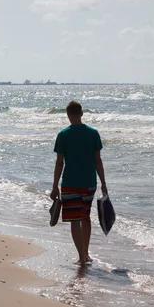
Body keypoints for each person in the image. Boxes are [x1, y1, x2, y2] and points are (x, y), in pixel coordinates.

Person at [50, 101, 108, 266]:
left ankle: (81, 257)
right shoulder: (93, 133)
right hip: (89, 182)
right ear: (82, 113)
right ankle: (86, 253)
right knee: (86, 218)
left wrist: (55, 186)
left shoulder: (63, 135)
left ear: (68, 115)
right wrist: (103, 183)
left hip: (69, 182)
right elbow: (98, 161)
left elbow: (59, 163)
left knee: (74, 220)